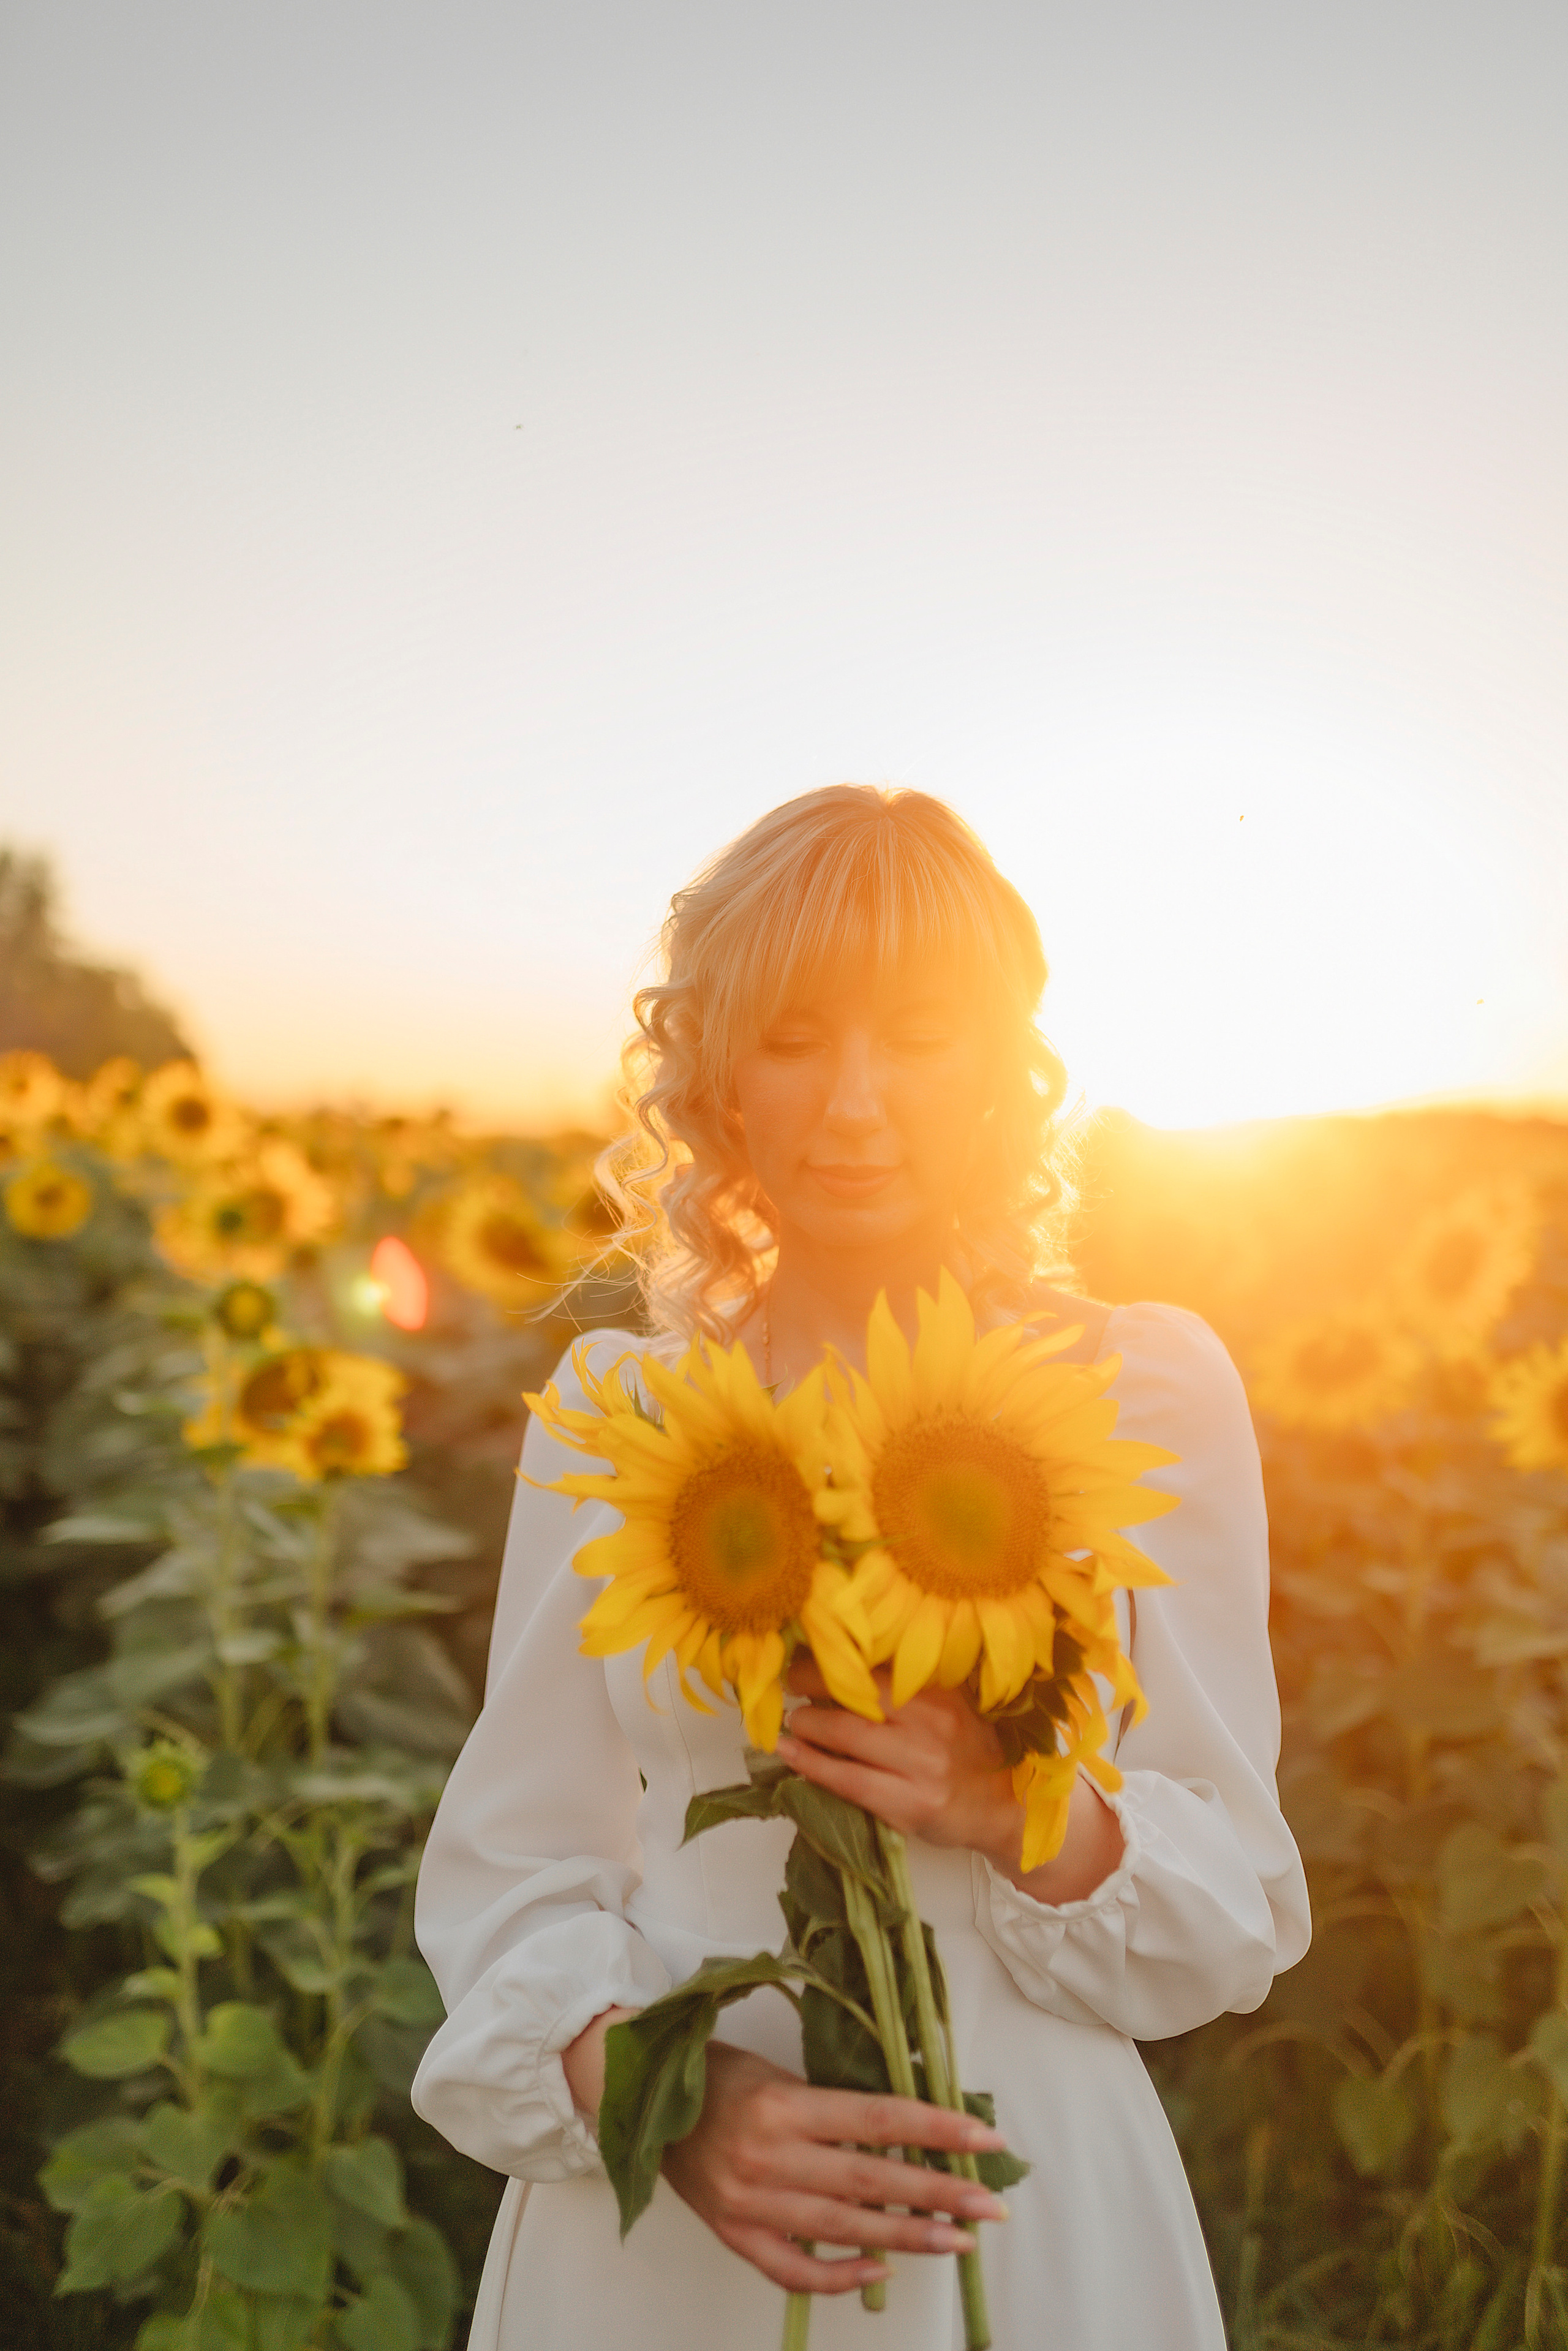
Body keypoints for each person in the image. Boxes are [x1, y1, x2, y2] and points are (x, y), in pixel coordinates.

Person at [411, 785, 1311, 2349]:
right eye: (791, 1033)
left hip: (1012, 2202)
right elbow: (510, 1872)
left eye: (916, 1034)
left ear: (1001, 1065)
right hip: (667, 2225)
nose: (852, 1101)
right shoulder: (618, 1414)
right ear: (711, 1073)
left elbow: (1232, 1885)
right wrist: (661, 2090)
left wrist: (1011, 1800)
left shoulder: (1140, 1391)